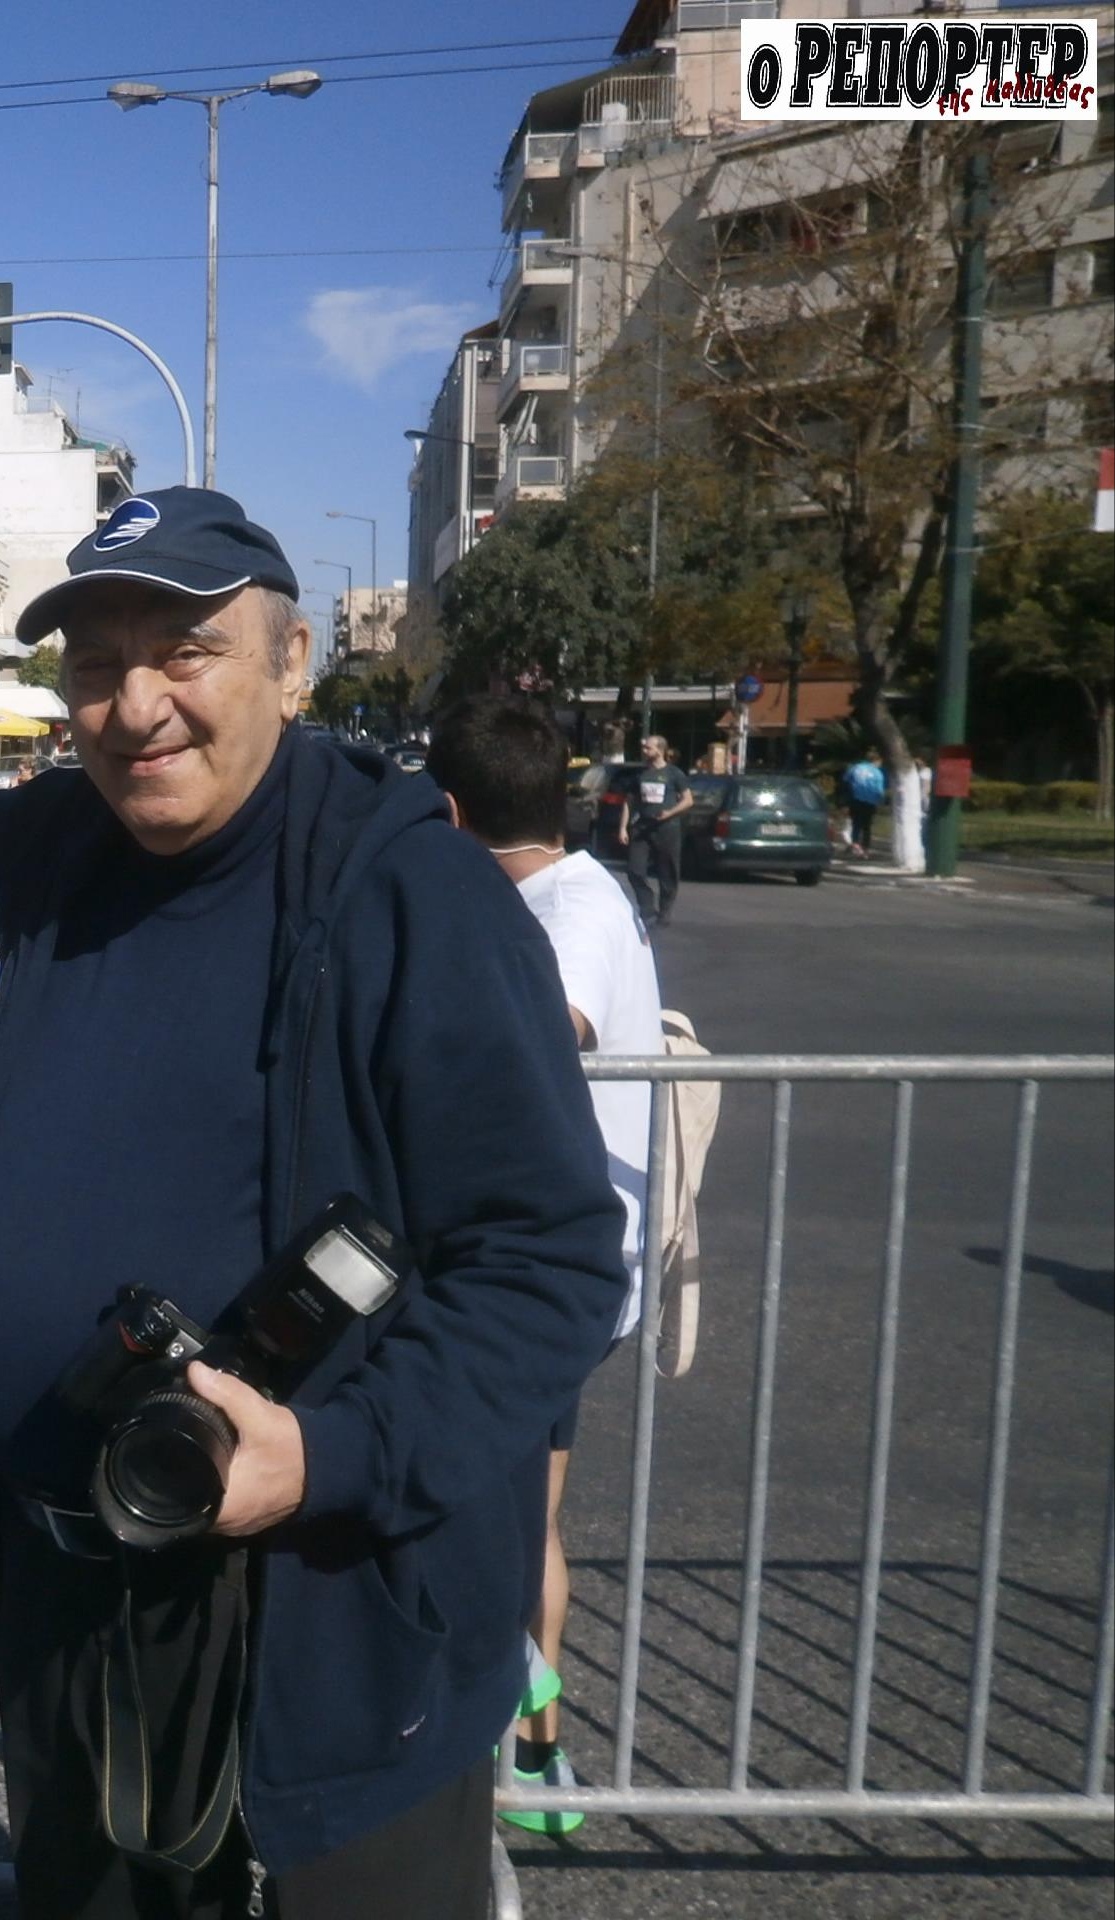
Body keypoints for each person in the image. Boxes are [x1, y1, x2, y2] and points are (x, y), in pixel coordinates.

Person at [0, 489, 627, 1920]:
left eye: (185, 651)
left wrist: (332, 1455)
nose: (135, 706)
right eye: (95, 665)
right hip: (66, 1630)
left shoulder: (410, 892)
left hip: (332, 1651)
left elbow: (547, 1262)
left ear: (291, 665)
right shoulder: (28, 866)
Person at [425, 697, 664, 1836]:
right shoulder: (569, 891)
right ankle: (531, 1753)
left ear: (448, 813)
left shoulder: (566, 909)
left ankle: (524, 1744)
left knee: (517, 1513)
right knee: (528, 1506)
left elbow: (538, 1030)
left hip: (548, 1271)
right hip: (553, 1260)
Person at [618, 734, 693, 927]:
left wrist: (670, 813)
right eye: (644, 748)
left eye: (648, 748)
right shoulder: (640, 775)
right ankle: (647, 907)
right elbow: (629, 802)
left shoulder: (674, 774)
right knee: (635, 870)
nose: (644, 751)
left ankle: (665, 910)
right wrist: (623, 828)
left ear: (660, 750)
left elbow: (688, 800)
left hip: (667, 828)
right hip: (642, 828)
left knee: (668, 872)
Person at [844, 747, 887, 858]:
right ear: (876, 761)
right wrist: (881, 802)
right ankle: (865, 849)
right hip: (870, 802)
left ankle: (855, 845)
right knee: (866, 826)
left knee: (856, 824)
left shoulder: (855, 768)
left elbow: (846, 781)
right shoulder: (877, 773)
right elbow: (879, 790)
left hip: (855, 800)